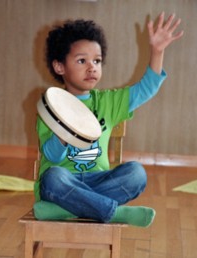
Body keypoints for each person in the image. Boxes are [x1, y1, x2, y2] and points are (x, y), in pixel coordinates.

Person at [34, 12, 183, 227]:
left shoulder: (108, 102)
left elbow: (146, 88)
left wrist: (157, 52)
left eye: (97, 61)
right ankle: (113, 212)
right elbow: (52, 157)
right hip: (63, 181)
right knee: (53, 177)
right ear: (60, 67)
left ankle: (68, 209)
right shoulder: (51, 104)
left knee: (136, 173)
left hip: (98, 180)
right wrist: (65, 132)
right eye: (82, 60)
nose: (92, 67)